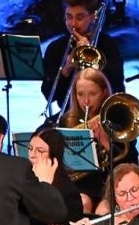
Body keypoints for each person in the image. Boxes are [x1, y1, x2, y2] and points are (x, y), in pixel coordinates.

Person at [57, 68, 134, 210]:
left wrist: (106, 143)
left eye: (92, 94)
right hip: (80, 185)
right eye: (80, 94)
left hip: (111, 183)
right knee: (83, 203)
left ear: (104, 92)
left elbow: (131, 163)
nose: (86, 101)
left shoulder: (119, 118)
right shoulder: (67, 121)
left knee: (104, 209)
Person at [41, 0, 126, 114]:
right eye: (69, 17)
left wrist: (90, 57)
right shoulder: (55, 48)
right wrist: (66, 70)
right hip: (69, 114)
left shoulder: (108, 44)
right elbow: (48, 94)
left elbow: (118, 86)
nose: (73, 24)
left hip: (104, 113)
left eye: (79, 17)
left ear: (92, 17)